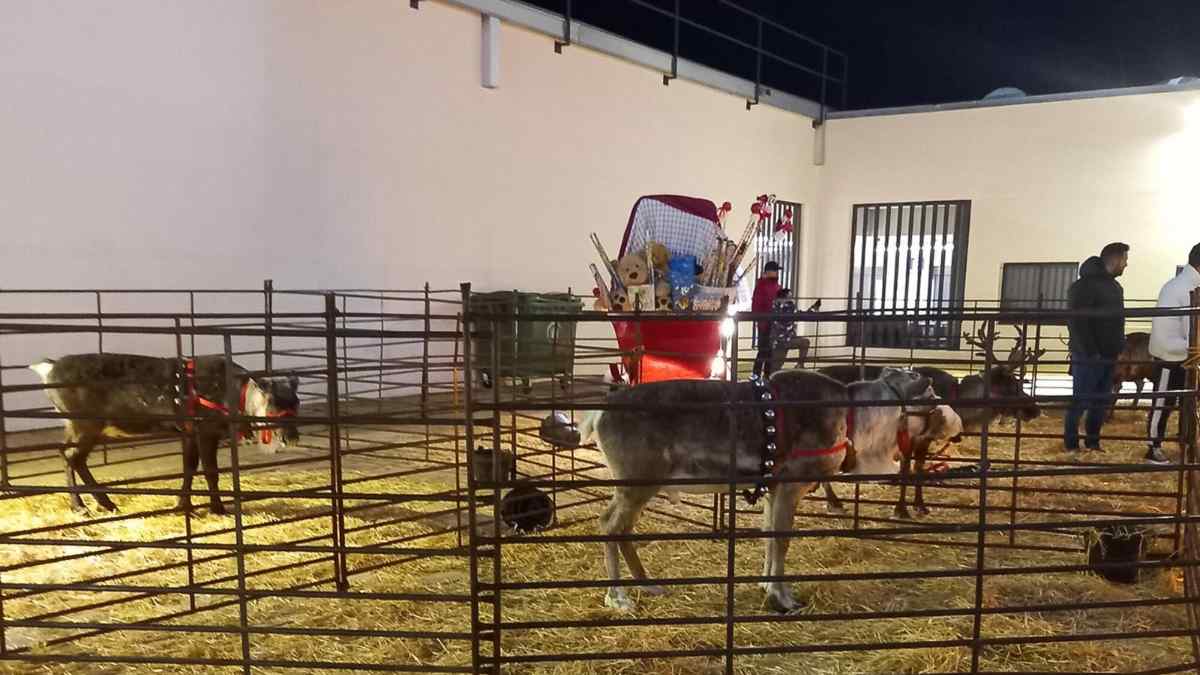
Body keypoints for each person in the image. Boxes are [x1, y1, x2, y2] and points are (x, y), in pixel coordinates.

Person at [1064, 242, 1129, 452]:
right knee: (1081, 400)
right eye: (1125, 260)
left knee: (1100, 402)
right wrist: (1091, 351)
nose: (1126, 265)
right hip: (1089, 355)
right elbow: (1077, 322)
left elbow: (1116, 321)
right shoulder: (1083, 286)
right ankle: (1071, 444)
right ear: (1116, 259)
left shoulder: (1114, 287)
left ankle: (1093, 441)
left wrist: (1118, 348)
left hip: (1107, 354)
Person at [1145, 244, 1200, 464]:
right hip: (1170, 355)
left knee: (1183, 401)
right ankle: (1152, 447)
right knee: (1162, 403)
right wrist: (1192, 347)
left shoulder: (1190, 284)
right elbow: (1178, 327)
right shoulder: (1179, 288)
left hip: (1185, 354)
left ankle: (1185, 441)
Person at [751, 261, 781, 380]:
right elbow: (757, 306)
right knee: (764, 351)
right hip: (766, 324)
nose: (777, 273)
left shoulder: (775, 286)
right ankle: (758, 375)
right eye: (775, 271)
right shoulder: (763, 286)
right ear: (769, 272)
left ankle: (765, 376)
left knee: (768, 352)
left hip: (773, 324)